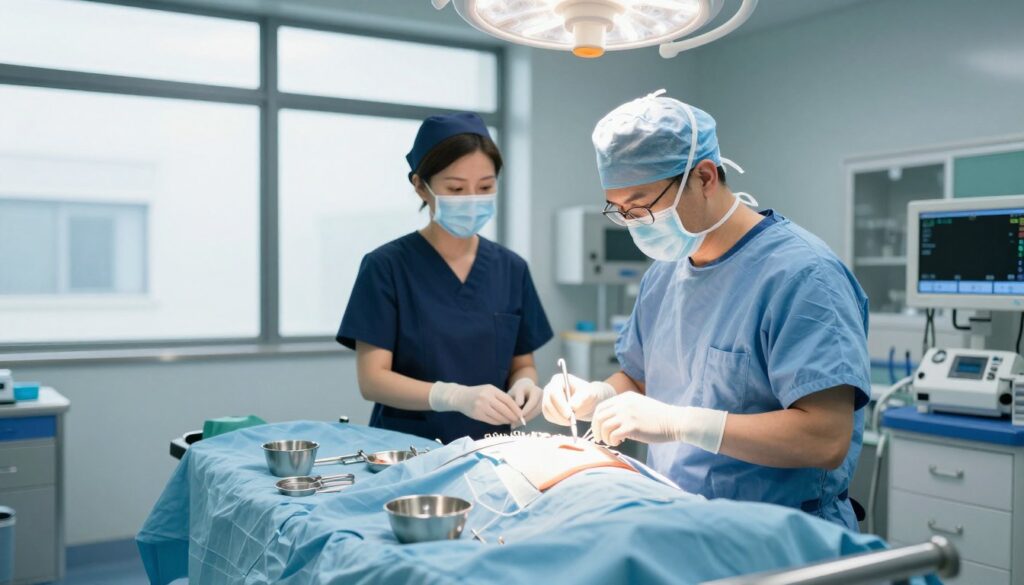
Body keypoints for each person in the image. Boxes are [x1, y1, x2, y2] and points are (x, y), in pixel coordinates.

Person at [542, 91, 871, 530]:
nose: (634, 221)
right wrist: (600, 395)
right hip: (680, 522)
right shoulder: (664, 275)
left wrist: (682, 423)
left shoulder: (804, 277)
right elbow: (638, 377)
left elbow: (825, 437)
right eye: (620, 210)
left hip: (782, 537)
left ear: (705, 177)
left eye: (641, 204)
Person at [337, 112, 553, 444]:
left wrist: (526, 384)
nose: (471, 199)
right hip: (407, 450)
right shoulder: (386, 267)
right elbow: (372, 381)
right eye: (455, 188)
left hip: (490, 447)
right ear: (421, 186)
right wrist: (450, 396)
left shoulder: (511, 268)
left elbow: (522, 364)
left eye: (485, 187)